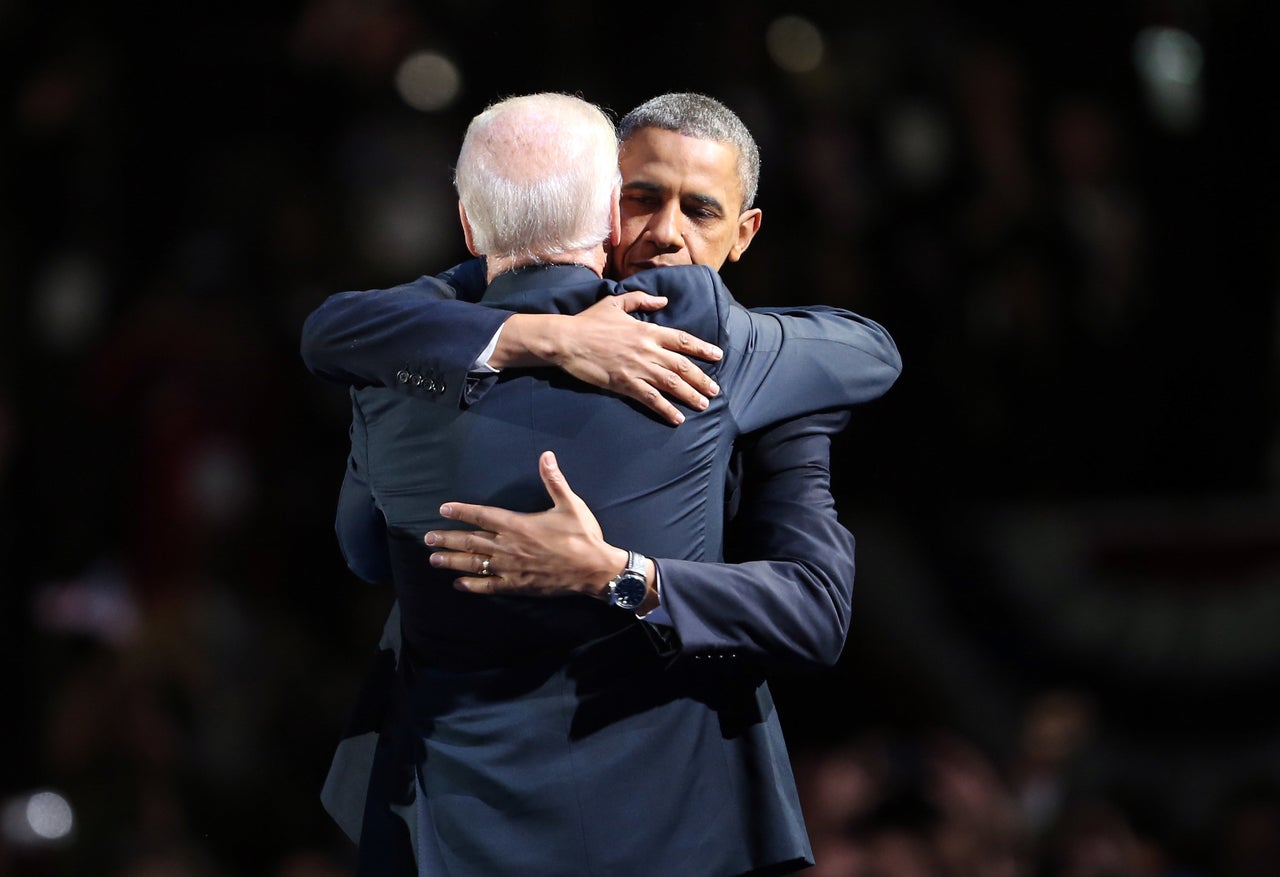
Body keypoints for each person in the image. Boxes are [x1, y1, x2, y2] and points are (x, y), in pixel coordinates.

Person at [302, 92, 902, 875]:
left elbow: (815, 611)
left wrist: (620, 577)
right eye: (644, 199)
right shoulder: (451, 336)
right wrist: (544, 334)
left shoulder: (729, 355)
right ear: (603, 203)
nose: (666, 234)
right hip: (533, 816)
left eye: (701, 210)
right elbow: (339, 329)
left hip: (625, 819)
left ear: (745, 232)